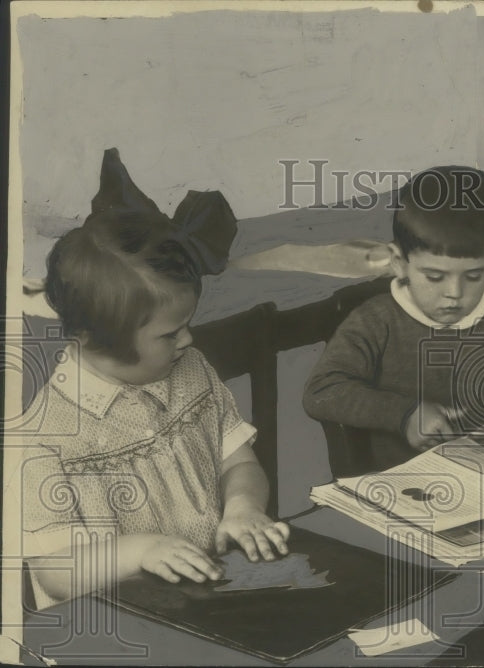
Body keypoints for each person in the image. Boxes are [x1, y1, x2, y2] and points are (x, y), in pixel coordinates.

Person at [19, 151, 288, 607]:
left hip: (209, 599)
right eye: (169, 333)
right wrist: (140, 551)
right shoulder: (44, 439)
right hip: (116, 627)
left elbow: (239, 462)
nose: (187, 339)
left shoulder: (192, 371)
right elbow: (55, 574)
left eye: (187, 322)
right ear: (92, 337)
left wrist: (244, 505)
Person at [303, 166, 484, 472]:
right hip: (407, 486)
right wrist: (405, 414)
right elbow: (321, 391)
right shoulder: (377, 321)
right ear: (399, 263)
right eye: (435, 276)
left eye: (474, 275)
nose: (454, 293)